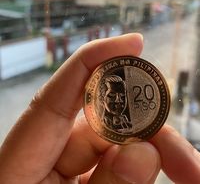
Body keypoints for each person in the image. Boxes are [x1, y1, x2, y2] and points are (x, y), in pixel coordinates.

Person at [0, 33, 199, 184]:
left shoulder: (130, 123)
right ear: (102, 98)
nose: (119, 101)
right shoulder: (107, 126)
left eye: (123, 96)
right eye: (113, 96)